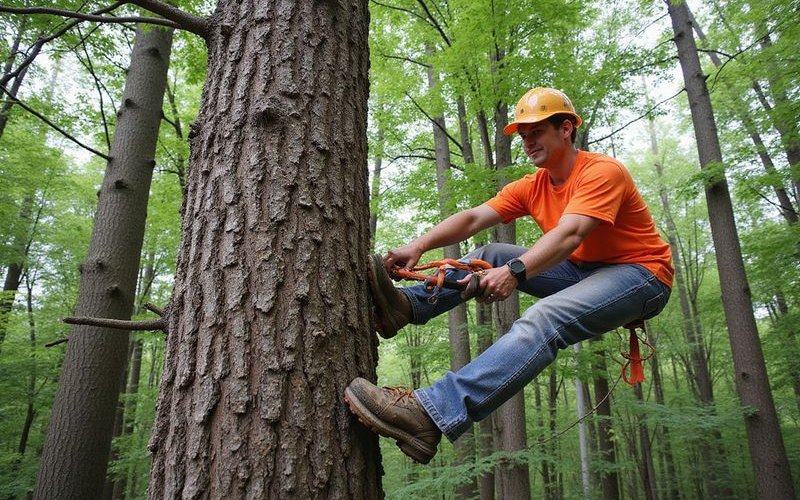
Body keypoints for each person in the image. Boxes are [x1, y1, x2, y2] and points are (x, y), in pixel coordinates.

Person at [343, 87, 673, 464]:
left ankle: (431, 414)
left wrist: (516, 271)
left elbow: (571, 234)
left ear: (565, 129)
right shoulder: (533, 186)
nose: (528, 142)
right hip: (584, 270)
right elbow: (473, 218)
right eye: (523, 135)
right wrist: (419, 245)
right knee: (490, 253)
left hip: (642, 276)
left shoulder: (601, 173)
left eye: (537, 132)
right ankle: (405, 308)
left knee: (546, 318)